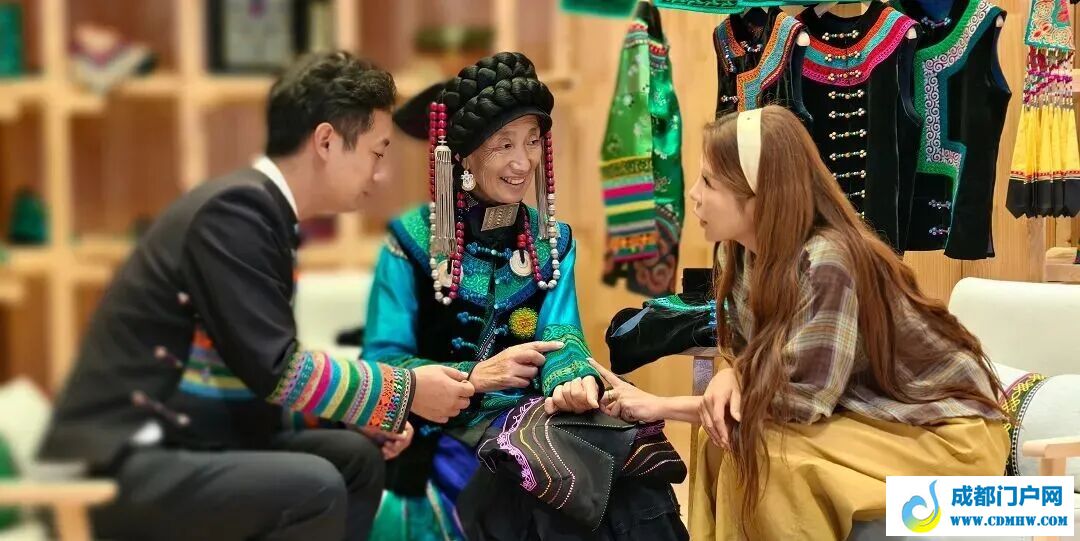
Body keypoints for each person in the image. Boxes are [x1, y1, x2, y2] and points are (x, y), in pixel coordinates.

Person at [37, 51, 474, 541]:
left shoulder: (258, 214)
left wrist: (353, 418)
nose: (382, 174)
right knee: (315, 485)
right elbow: (278, 370)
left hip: (180, 439)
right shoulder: (235, 212)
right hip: (117, 464)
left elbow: (244, 386)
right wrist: (405, 391)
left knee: (354, 459)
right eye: (377, 152)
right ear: (326, 142)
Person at [601, 105, 1010, 540]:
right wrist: (730, 374)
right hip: (869, 418)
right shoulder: (740, 256)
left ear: (759, 194)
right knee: (724, 441)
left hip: (944, 435)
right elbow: (756, 365)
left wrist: (660, 405)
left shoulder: (829, 260)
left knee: (765, 452)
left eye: (710, 182)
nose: (695, 195)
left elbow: (797, 402)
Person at [363, 51, 612, 539]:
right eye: (504, 145)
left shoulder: (553, 242)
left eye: (533, 140)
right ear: (463, 156)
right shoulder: (410, 242)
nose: (523, 162)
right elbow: (382, 363)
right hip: (436, 440)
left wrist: (572, 378)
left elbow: (563, 334)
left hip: (531, 431)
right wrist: (474, 377)